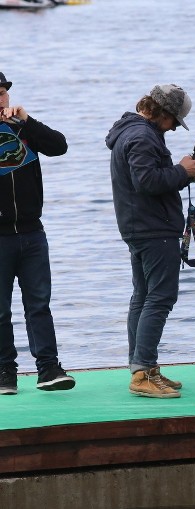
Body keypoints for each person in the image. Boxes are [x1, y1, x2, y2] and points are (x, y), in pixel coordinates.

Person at [106, 84, 195, 399]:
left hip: (140, 226)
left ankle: (143, 368)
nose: (176, 127)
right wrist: (180, 170)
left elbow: (146, 180)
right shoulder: (142, 137)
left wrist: (182, 173)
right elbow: (147, 181)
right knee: (160, 298)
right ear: (161, 112)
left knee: (143, 296)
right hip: (153, 229)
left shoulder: (133, 133)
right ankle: (142, 371)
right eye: (175, 120)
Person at [0, 72, 76, 395]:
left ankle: (48, 368)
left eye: (2, 93)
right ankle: (5, 372)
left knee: (39, 304)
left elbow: (59, 146)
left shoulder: (22, 130)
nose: (0, 99)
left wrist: (26, 120)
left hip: (32, 233)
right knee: (0, 309)